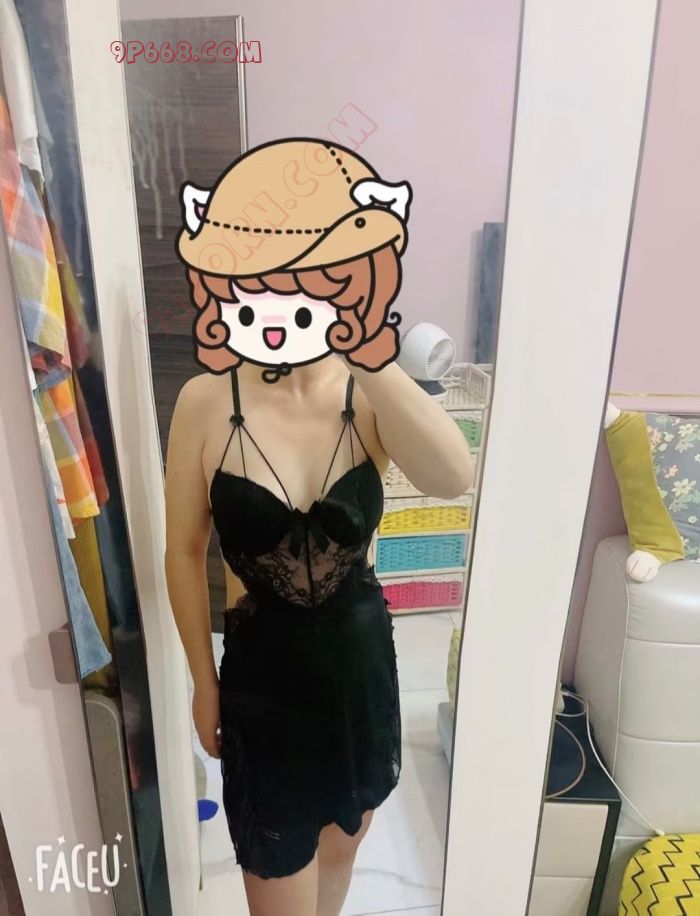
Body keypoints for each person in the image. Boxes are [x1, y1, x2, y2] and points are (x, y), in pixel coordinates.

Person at [164, 137, 475, 916]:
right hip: (261, 688)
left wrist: (370, 358)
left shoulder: (367, 395)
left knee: (339, 857)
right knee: (278, 878)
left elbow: (453, 475)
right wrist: (202, 682)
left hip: (358, 676)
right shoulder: (205, 402)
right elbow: (183, 550)